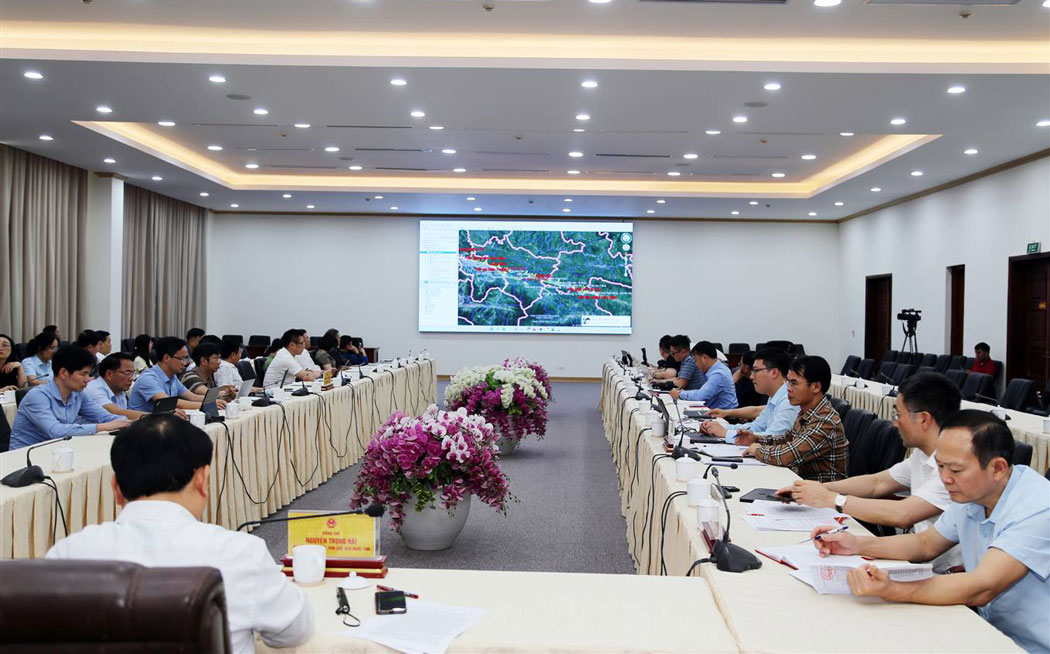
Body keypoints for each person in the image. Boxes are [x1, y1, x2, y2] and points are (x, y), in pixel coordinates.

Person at [46, 414, 315, 652]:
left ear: (116, 488)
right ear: (202, 480)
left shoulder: (67, 554)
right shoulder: (240, 552)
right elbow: (294, 632)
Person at [811, 411, 1049, 653]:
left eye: (955, 470)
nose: (945, 479)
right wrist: (856, 544)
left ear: (998, 468)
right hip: (988, 629)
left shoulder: (1037, 507)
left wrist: (893, 590)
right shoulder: (974, 493)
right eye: (940, 466)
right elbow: (925, 544)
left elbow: (982, 587)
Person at [781, 371, 963, 572]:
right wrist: (816, 489)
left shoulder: (954, 469)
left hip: (944, 573)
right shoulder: (921, 455)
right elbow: (877, 483)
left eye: (897, 415)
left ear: (923, 419)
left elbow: (903, 514)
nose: (894, 423)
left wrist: (833, 499)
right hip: (915, 560)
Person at [743, 355, 848, 482]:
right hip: (801, 484)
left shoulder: (825, 421)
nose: (788, 388)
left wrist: (757, 449)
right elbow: (786, 439)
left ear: (816, 387)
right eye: (788, 382)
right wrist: (755, 438)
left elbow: (788, 455)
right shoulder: (806, 411)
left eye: (794, 383)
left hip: (821, 494)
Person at [9, 346, 129, 449]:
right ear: (63, 373)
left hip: (58, 451)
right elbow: (55, 431)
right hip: (25, 459)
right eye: (83, 374)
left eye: (89, 374)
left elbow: (104, 416)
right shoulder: (37, 397)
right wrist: (102, 427)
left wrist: (127, 423)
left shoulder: (78, 394)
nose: (88, 379)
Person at [703, 348, 799, 444]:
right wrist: (718, 427)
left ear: (774, 372)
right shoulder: (774, 397)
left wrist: (726, 433)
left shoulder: (788, 401)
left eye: (756, 371)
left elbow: (774, 438)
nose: (752, 376)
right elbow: (755, 427)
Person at [128, 337, 214, 412]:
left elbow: (192, 397)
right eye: (182, 358)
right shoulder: (148, 378)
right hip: (141, 426)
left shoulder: (172, 377)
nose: (185, 363)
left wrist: (213, 400)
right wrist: (207, 405)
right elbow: (170, 403)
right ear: (166, 358)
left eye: (186, 358)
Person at [670, 341, 738, 409]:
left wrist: (679, 394)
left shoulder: (719, 374)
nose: (696, 364)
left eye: (696, 360)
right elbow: (702, 391)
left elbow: (700, 396)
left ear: (704, 358)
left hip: (725, 417)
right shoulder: (717, 369)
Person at [84, 353, 149, 421]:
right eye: (127, 373)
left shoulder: (119, 391)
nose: (131, 378)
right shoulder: (94, 389)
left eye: (133, 373)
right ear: (109, 374)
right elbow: (115, 413)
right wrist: (155, 418)